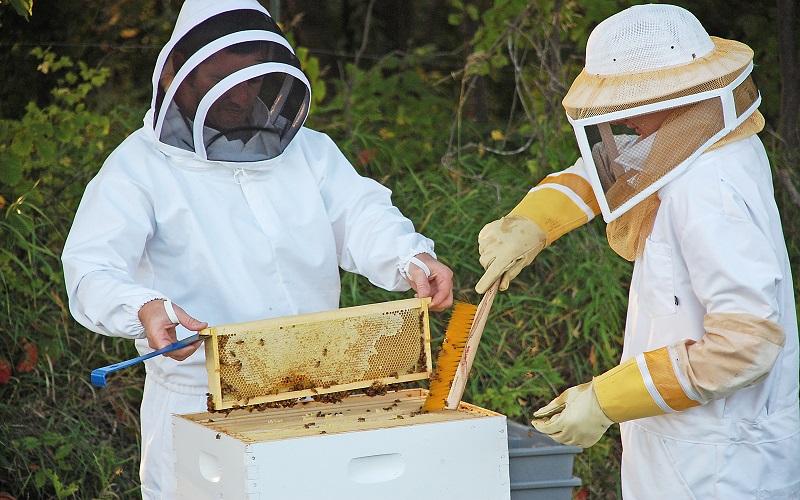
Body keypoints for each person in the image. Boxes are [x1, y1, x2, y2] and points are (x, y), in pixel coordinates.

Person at [61, 1, 453, 498]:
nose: (240, 94)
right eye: (223, 79)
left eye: (250, 79)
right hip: (196, 398)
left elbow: (359, 215)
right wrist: (144, 308)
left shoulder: (307, 151)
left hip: (317, 388)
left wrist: (410, 257)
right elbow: (90, 269)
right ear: (179, 78)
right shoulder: (137, 169)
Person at [476, 4, 799, 498]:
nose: (625, 117)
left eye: (635, 101)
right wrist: (533, 222)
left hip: (723, 465)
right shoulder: (704, 133)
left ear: (673, 93)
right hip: (691, 445)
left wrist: (607, 398)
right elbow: (615, 166)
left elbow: (746, 345)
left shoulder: (709, 190)